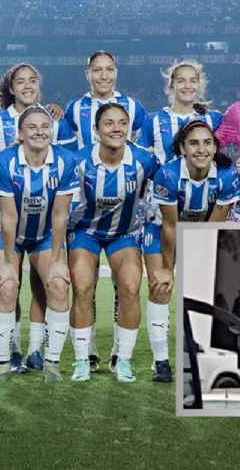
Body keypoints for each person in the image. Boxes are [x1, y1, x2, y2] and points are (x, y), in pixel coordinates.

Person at [63, 51, 148, 371]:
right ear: (88, 74)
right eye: (97, 70)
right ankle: (87, 356)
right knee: (83, 287)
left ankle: (119, 357)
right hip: (85, 220)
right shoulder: (74, 110)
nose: (103, 75)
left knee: (127, 287)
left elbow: (157, 163)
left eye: (109, 69)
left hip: (123, 223)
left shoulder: (136, 113)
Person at [0, 106, 78, 384]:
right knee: (8, 285)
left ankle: (52, 362)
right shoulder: (4, 161)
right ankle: (3, 364)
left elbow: (61, 214)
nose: (39, 132)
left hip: (44, 232)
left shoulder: (66, 160)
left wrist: (59, 259)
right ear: (21, 133)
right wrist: (9, 262)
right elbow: (9, 217)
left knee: (59, 284)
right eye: (32, 127)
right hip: (4, 229)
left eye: (45, 126)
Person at [68, 102, 159, 383]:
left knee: (131, 286)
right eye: (109, 123)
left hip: (124, 233)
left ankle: (123, 361)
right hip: (85, 232)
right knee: (82, 287)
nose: (116, 128)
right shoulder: (79, 162)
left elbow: (169, 181)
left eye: (122, 122)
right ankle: (82, 360)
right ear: (96, 130)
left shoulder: (145, 160)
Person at [149, 120, 238, 381]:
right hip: (162, 232)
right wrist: (168, 269)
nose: (201, 149)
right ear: (182, 149)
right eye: (194, 143)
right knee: (161, 287)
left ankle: (201, 358)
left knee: (204, 292)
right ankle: (161, 362)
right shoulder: (167, 175)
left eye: (207, 143)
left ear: (215, 147)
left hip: (202, 231)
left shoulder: (227, 175)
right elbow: (169, 225)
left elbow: (214, 225)